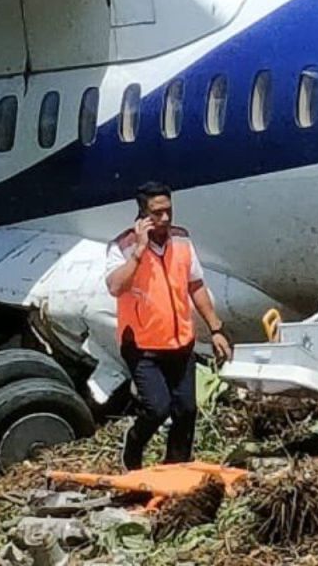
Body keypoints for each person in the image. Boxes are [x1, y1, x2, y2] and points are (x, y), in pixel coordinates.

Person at [105, 181, 232, 471]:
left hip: (180, 342)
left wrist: (215, 328)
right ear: (142, 214)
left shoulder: (182, 242)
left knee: (187, 409)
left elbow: (195, 285)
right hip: (142, 345)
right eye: (156, 213)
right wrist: (138, 251)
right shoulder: (122, 247)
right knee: (157, 408)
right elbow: (115, 286)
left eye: (168, 211)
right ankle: (132, 451)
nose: (164, 219)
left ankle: (177, 467)